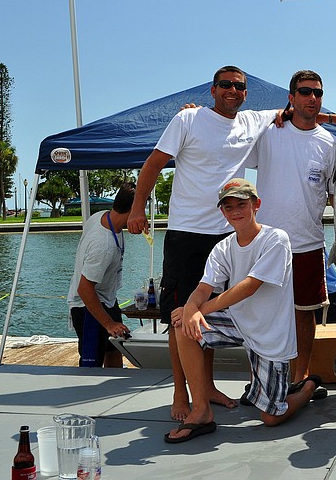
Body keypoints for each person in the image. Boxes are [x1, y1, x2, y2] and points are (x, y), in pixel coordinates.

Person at [127, 65, 280, 420]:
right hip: (187, 235)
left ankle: (206, 386)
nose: (232, 91)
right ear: (212, 90)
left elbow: (296, 111)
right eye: (225, 85)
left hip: (228, 237)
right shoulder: (188, 121)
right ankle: (181, 393)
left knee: (208, 316)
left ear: (246, 92)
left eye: (239, 86)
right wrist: (138, 209)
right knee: (180, 319)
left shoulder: (253, 120)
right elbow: (153, 164)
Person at [164, 179, 322, 443]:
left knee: (271, 418)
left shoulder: (276, 239)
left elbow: (250, 286)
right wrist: (190, 308)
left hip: (270, 335)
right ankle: (201, 410)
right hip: (237, 322)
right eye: (229, 207)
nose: (236, 212)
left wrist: (199, 309)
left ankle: (306, 389)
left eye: (242, 205)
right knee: (183, 327)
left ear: (256, 205)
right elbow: (204, 287)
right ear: (223, 212)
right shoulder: (223, 247)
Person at [247, 70, 336, 389]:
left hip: (309, 243)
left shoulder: (330, 144)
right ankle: (259, 379)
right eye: (304, 92)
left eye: (317, 93)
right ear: (291, 97)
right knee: (263, 315)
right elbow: (230, 132)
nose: (312, 98)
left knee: (304, 314)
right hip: (265, 245)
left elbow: (335, 195)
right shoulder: (269, 132)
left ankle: (300, 377)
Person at [67, 183, 136, 368]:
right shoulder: (103, 246)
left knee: (115, 349)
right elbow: (84, 288)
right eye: (142, 209)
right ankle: (88, 393)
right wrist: (108, 324)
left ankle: (114, 390)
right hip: (87, 306)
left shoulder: (103, 216)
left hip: (107, 299)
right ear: (133, 209)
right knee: (92, 365)